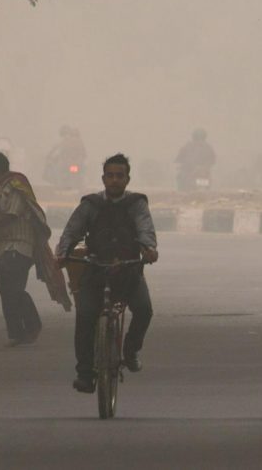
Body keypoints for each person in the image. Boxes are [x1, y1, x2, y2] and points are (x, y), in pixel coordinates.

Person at [56, 153, 159, 394]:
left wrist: (149, 249)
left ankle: (131, 351)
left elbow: (146, 229)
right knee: (85, 316)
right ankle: (84, 374)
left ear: (127, 179)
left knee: (144, 310)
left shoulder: (136, 204)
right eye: (110, 176)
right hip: (96, 271)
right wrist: (62, 253)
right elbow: (71, 232)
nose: (114, 180)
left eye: (119, 176)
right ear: (103, 178)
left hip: (128, 271)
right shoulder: (90, 205)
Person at [0, 152, 71, 347]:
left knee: (14, 288)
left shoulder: (14, 185)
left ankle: (32, 325)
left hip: (19, 243)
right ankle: (16, 332)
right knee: (5, 290)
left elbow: (12, 214)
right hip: (2, 245)